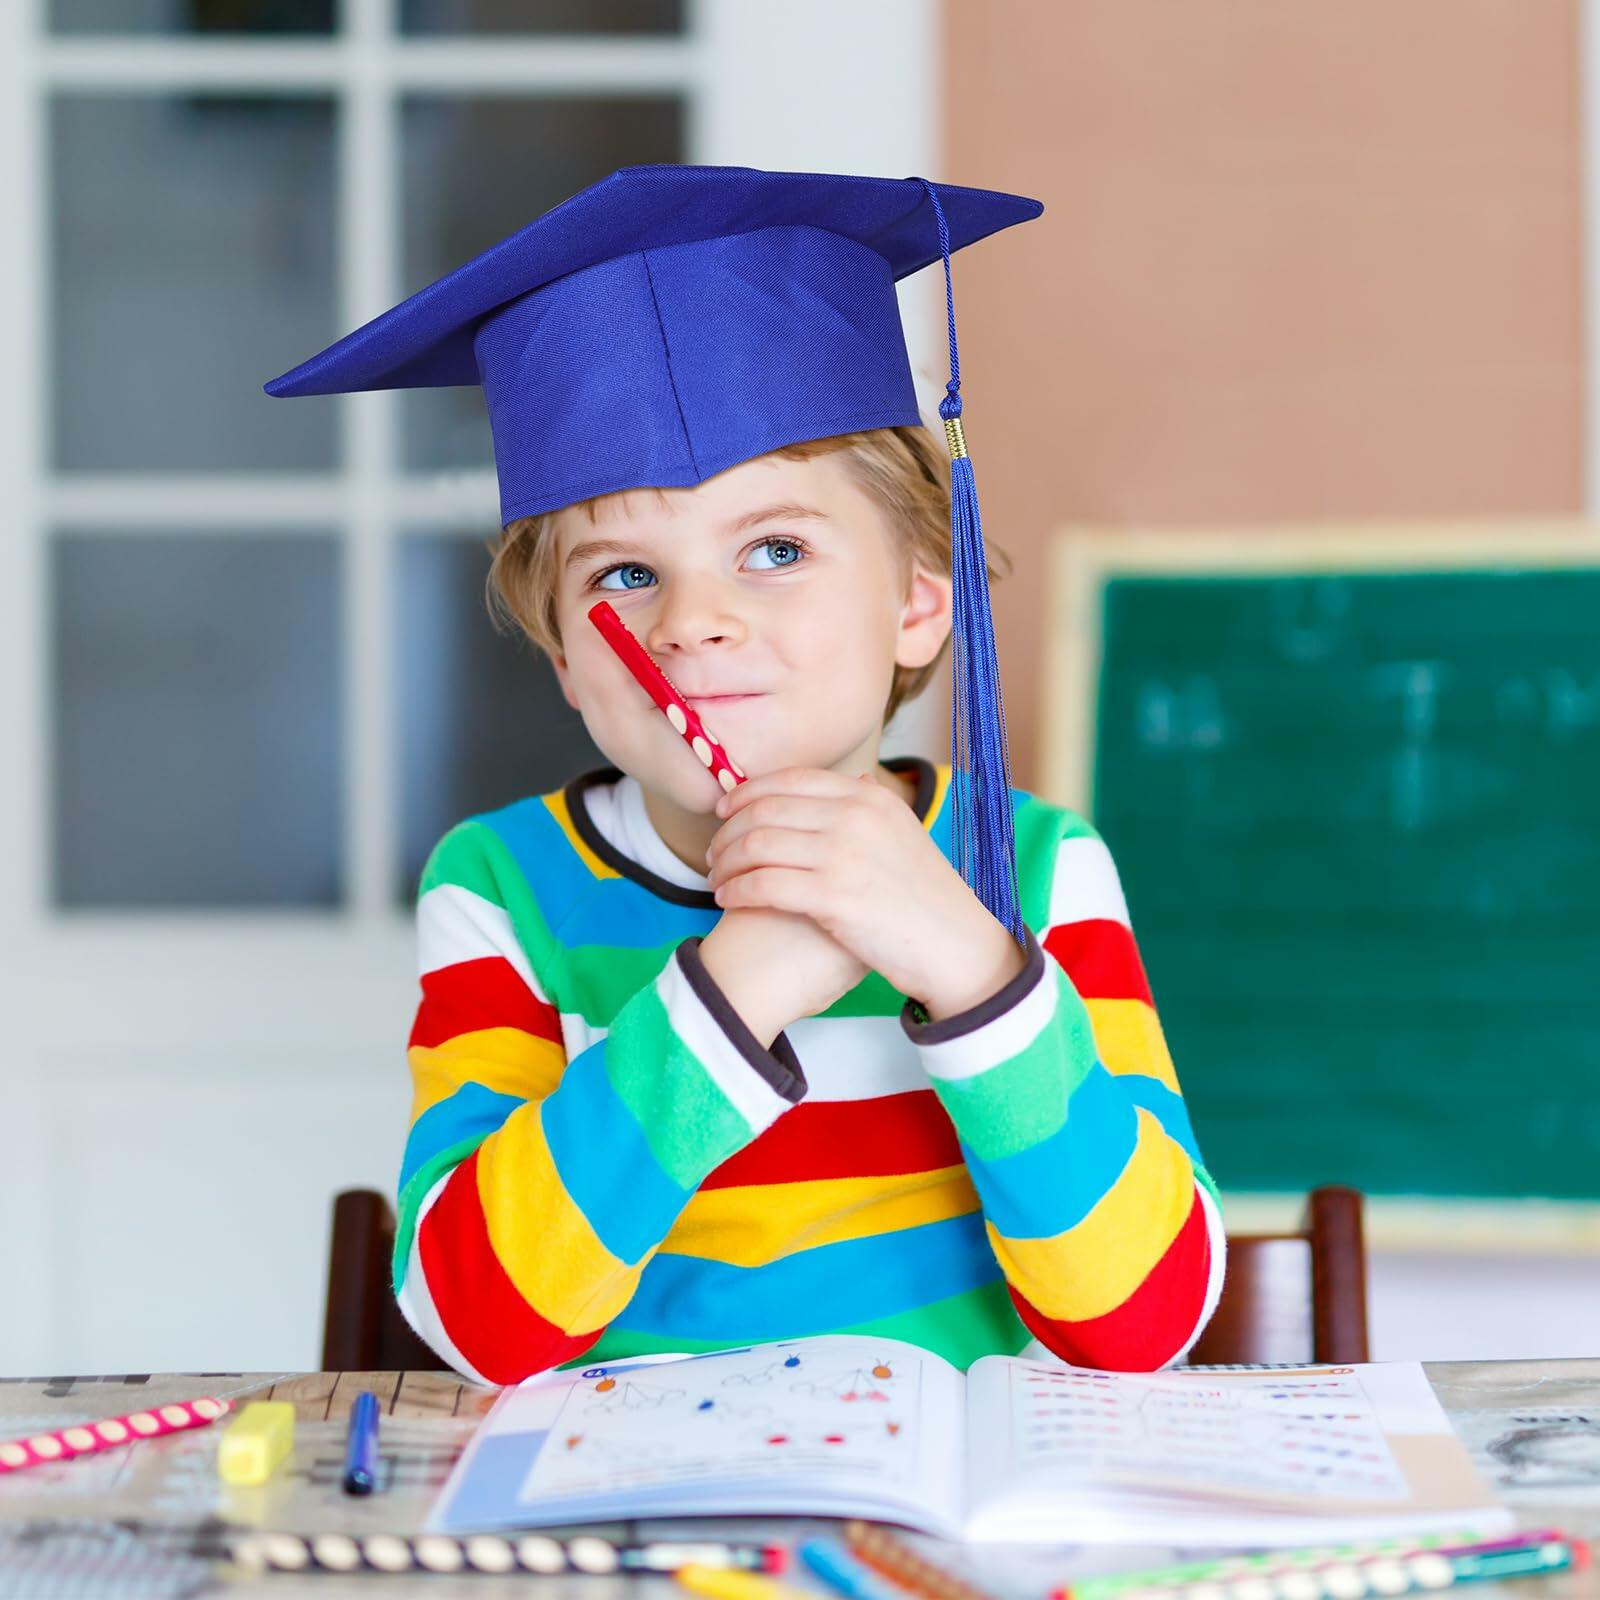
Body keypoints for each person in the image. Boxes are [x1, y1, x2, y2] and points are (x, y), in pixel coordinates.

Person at [267, 164, 1225, 1386]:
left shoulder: (1032, 866)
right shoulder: (501, 885)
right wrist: (733, 988)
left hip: (955, 1487)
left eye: (774, 549)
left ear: (918, 603)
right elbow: (476, 1327)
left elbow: (1144, 1324)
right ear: (565, 656)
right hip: (624, 1489)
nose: (691, 622)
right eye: (624, 576)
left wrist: (968, 967)